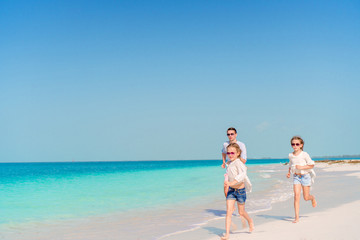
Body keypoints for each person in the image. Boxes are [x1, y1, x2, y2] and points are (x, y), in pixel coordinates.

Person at [221, 143, 254, 239]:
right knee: (228, 212)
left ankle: (250, 221)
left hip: (240, 191)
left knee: (241, 212)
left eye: (232, 153)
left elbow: (242, 175)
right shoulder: (229, 163)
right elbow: (228, 175)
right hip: (231, 191)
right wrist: (227, 183)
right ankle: (227, 234)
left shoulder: (239, 163)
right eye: (228, 153)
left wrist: (232, 183)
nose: (230, 155)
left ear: (238, 153)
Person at [286, 136, 317, 223]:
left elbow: (311, 165)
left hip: (305, 176)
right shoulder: (290, 155)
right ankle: (296, 217)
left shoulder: (304, 154)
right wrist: (289, 172)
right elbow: (290, 164)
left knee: (306, 198)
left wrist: (301, 167)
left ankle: (312, 198)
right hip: (296, 177)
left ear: (301, 145)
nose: (295, 146)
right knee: (296, 196)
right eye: (293, 144)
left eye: (297, 144)